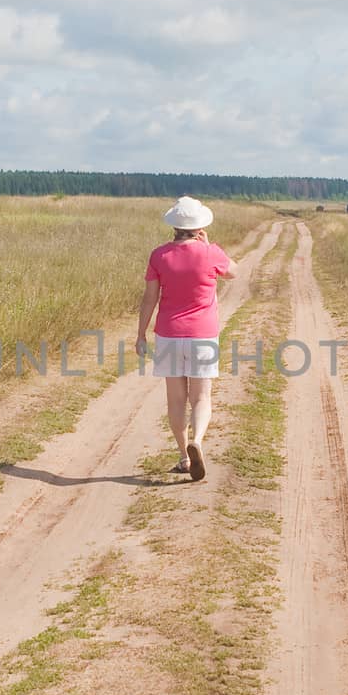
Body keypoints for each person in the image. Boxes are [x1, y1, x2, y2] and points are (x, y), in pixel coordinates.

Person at [136, 196, 236, 481]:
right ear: (200, 225)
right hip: (202, 334)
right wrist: (208, 246)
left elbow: (149, 298)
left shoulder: (159, 255)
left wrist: (141, 333)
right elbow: (234, 272)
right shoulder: (210, 252)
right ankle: (198, 442)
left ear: (175, 226)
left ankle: (183, 456)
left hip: (168, 333)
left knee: (176, 400)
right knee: (201, 397)